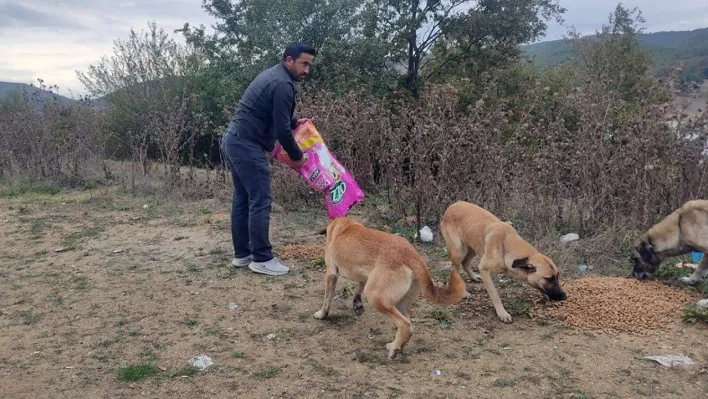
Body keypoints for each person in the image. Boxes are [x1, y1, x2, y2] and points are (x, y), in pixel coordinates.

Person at [222, 42, 316, 276]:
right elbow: (282, 130)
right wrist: (297, 157)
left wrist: (296, 122)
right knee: (260, 199)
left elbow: (274, 115)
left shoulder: (275, 76)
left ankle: (243, 255)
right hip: (246, 144)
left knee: (243, 198)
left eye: (309, 65)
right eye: (303, 64)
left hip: (235, 139)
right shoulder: (283, 83)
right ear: (289, 60)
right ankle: (262, 258)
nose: (306, 70)